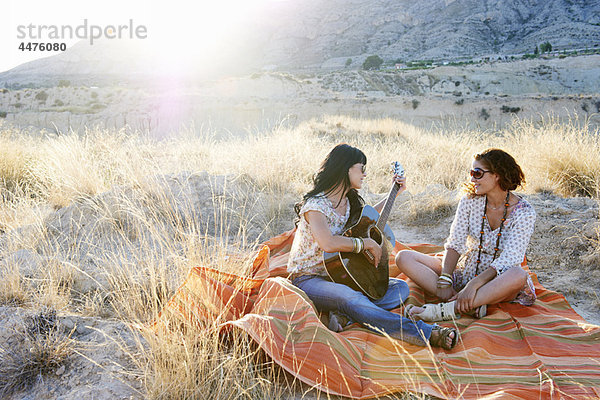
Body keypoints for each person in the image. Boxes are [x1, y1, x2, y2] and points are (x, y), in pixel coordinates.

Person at [287, 143, 457, 349]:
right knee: (351, 297)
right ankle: (425, 333)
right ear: (346, 168)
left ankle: (344, 315)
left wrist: (394, 192)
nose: (365, 174)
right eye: (362, 168)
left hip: (342, 274)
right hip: (310, 278)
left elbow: (369, 220)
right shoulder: (316, 205)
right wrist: (365, 243)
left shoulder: (348, 202)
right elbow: (328, 243)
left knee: (400, 288)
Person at [395, 148, 536, 322]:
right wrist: (446, 279)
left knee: (518, 275)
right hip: (465, 271)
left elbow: (509, 259)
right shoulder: (469, 201)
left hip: (497, 280)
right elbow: (455, 242)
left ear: (497, 175)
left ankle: (444, 310)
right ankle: (467, 302)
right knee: (403, 257)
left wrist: (474, 284)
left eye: (477, 173)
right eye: (471, 172)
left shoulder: (524, 212)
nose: (471, 179)